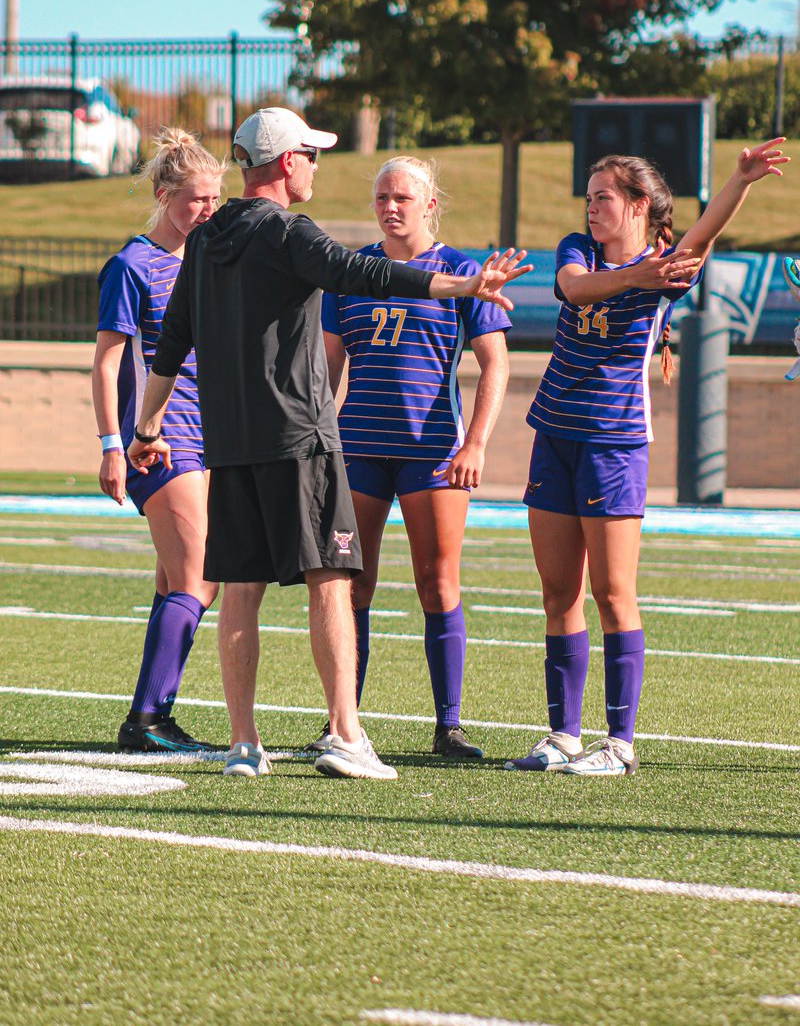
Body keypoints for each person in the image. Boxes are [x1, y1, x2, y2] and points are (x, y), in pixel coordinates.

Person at [126, 107, 531, 781]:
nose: (316, 165)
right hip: (298, 438)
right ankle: (346, 734)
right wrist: (459, 284)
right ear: (286, 163)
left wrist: (147, 428)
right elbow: (360, 274)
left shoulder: (204, 238)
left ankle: (243, 745)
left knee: (242, 592)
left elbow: (172, 340)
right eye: (310, 155)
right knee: (331, 581)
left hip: (228, 445)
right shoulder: (288, 231)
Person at [506, 137, 789, 777]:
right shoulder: (578, 251)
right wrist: (635, 274)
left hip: (614, 442)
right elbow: (575, 290)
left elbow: (706, 231)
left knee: (612, 592)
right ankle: (562, 735)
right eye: (588, 199)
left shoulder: (669, 266)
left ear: (639, 206)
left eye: (604, 198)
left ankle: (620, 744)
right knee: (558, 593)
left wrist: (740, 180)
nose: (591, 209)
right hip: (554, 434)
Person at [306, 155, 511, 759]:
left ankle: (448, 724)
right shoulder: (353, 271)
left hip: (433, 455)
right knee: (351, 585)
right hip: (359, 451)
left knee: (436, 582)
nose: (390, 207)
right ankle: (344, 722)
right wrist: (320, 446)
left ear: (430, 205)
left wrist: (475, 442)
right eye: (381, 198)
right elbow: (326, 369)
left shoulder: (461, 271)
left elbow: (494, 361)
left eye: (402, 197)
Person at [92, 127, 227, 752]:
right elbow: (107, 362)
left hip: (207, 436)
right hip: (161, 439)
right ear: (163, 194)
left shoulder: (203, 262)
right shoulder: (131, 264)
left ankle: (153, 714)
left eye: (215, 200)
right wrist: (113, 445)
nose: (207, 210)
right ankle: (145, 720)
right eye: (196, 199)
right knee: (199, 578)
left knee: (177, 582)